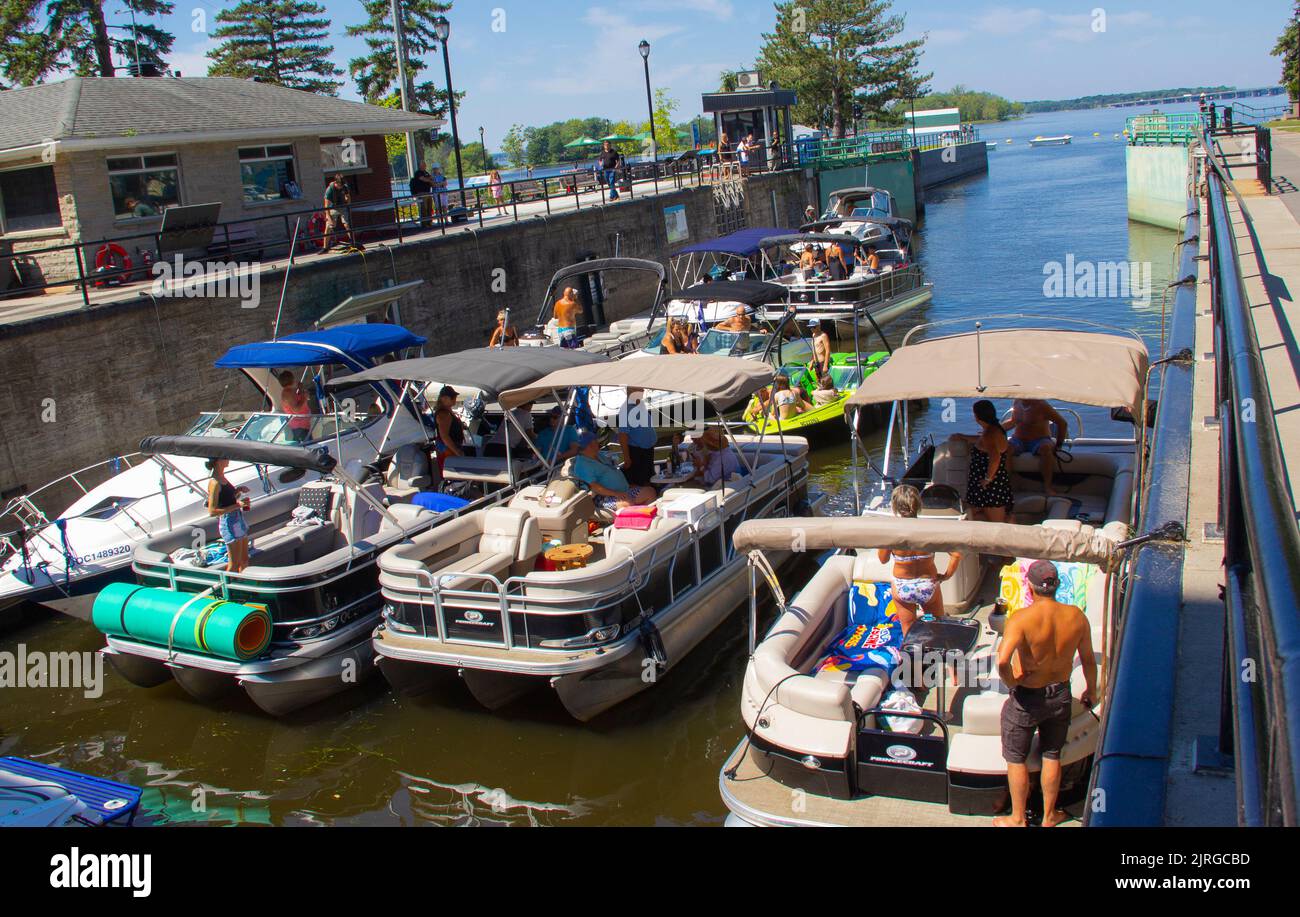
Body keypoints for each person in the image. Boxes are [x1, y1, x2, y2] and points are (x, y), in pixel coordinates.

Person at [995, 560, 1096, 828]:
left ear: (1029, 584)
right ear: (1058, 585)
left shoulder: (1021, 619)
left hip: (1027, 696)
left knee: (1016, 758)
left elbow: (1002, 661)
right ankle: (1049, 816)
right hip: (1060, 693)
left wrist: (1011, 683)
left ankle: (1018, 819)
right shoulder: (1076, 616)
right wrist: (1091, 691)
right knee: (1052, 754)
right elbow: (1087, 660)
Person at [876, 485, 960, 634]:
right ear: (918, 505)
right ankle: (935, 655)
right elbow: (956, 554)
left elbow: (883, 559)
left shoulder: (891, 532)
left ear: (895, 506)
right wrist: (946, 575)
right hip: (928, 584)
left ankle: (910, 656)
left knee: (908, 630)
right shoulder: (930, 530)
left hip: (903, 586)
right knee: (937, 628)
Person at [952, 399, 1013, 523]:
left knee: (996, 523)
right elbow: (982, 442)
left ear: (977, 416)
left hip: (990, 486)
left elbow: (995, 458)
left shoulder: (990, 433)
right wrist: (963, 436)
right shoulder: (993, 429)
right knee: (976, 517)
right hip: (986, 484)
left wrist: (987, 479)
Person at [571, 432, 656, 511]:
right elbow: (594, 487)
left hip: (623, 491)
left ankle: (646, 517)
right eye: (596, 442)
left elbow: (612, 469)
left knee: (650, 492)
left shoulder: (598, 455)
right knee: (627, 504)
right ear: (590, 445)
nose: (598, 444)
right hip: (604, 497)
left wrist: (626, 486)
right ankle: (637, 521)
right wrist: (616, 493)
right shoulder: (582, 465)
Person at [1004, 399, 1069, 495]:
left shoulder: (1042, 405)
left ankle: (1048, 486)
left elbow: (1062, 423)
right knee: (1006, 449)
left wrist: (1059, 444)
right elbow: (1013, 421)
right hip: (1018, 439)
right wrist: (993, 429)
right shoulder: (1017, 402)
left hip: (1040, 440)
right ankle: (1006, 485)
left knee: (1046, 449)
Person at [207, 458, 251, 574]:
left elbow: (226, 499)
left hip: (237, 519)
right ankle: (228, 590)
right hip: (229, 523)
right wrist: (238, 505)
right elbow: (212, 511)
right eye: (224, 457)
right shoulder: (215, 483)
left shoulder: (223, 478)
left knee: (244, 560)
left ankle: (243, 587)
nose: (228, 459)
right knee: (234, 564)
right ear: (217, 461)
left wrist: (238, 490)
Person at [617, 388, 656, 487]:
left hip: (648, 449)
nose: (642, 390)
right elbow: (622, 435)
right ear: (631, 391)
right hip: (637, 451)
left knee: (650, 478)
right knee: (641, 482)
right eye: (639, 389)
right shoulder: (626, 409)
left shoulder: (640, 404)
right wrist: (626, 457)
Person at [433, 384, 469, 471]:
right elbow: (444, 436)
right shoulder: (443, 414)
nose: (454, 399)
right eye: (452, 397)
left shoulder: (448, 412)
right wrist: (457, 452)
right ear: (444, 398)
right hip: (449, 451)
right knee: (455, 476)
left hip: (450, 449)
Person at [278, 370, 312, 443]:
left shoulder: (292, 391)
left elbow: (305, 398)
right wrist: (304, 397)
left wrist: (301, 389)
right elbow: (296, 409)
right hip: (299, 427)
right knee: (308, 447)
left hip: (304, 425)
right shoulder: (288, 393)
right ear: (291, 379)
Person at [322, 174, 352, 251]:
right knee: (329, 226)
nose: (340, 187)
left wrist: (348, 205)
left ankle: (353, 242)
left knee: (347, 224)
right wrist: (329, 218)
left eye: (342, 185)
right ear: (336, 182)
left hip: (342, 206)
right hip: (332, 207)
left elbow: (348, 197)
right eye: (339, 185)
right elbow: (326, 206)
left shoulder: (344, 187)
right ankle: (325, 247)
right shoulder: (330, 190)